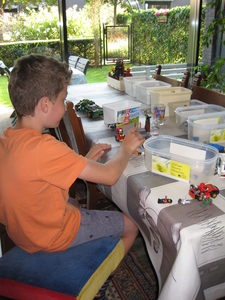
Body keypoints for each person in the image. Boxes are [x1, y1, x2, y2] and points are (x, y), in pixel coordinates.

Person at [0, 54, 144, 258]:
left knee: (73, 204)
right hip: (52, 236)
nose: (64, 104)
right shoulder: (44, 147)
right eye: (63, 99)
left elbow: (39, 178)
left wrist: (82, 161)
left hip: (23, 233)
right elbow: (110, 176)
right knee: (131, 226)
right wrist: (126, 149)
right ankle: (100, 275)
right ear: (45, 105)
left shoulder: (6, 140)